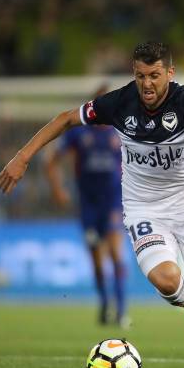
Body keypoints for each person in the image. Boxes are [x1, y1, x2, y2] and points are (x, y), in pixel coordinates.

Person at [0, 41, 184, 368]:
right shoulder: (120, 102)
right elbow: (65, 120)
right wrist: (22, 157)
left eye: (154, 75)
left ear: (169, 73)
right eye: (140, 76)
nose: (147, 84)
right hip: (143, 207)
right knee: (166, 281)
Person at [44, 85, 128, 327]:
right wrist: (58, 189)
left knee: (114, 252)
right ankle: (104, 303)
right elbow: (52, 162)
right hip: (88, 206)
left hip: (113, 202)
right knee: (96, 259)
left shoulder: (121, 132)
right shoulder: (79, 133)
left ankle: (121, 311)